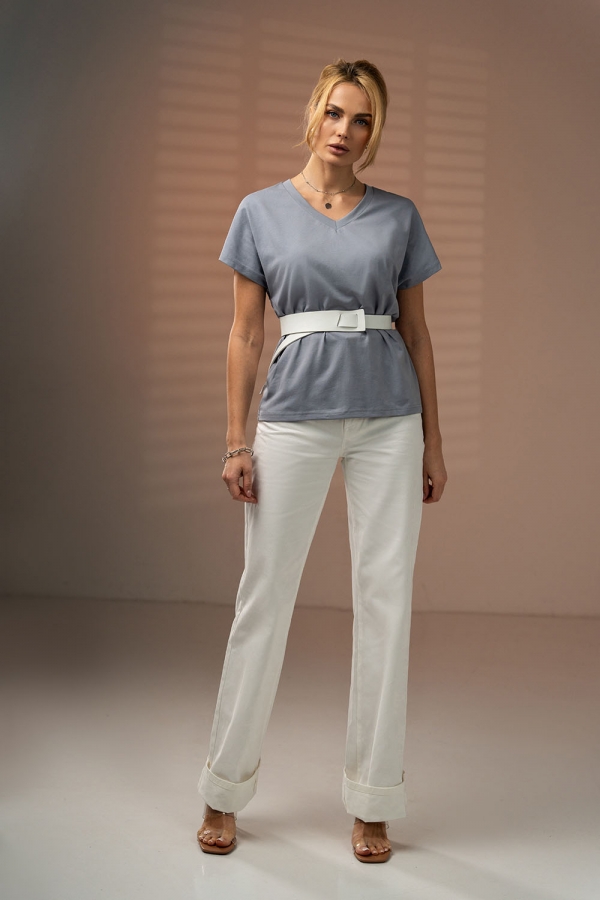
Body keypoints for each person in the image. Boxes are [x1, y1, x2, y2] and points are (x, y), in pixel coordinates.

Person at [196, 58, 447, 863]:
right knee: (263, 597)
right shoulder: (260, 212)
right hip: (294, 419)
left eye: (363, 119)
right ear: (314, 114)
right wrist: (237, 439)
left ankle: (374, 799)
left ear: (376, 130)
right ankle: (223, 787)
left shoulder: (399, 216)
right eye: (336, 112)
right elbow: (246, 333)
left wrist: (433, 441)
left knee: (386, 603)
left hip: (389, 421)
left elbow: (416, 333)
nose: (346, 130)